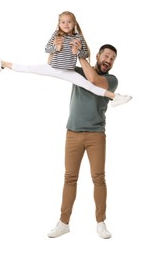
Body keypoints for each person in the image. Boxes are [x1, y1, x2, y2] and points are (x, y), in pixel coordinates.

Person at [47, 44, 123, 239]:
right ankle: (64, 223)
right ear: (97, 56)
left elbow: (94, 80)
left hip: (96, 135)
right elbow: (52, 65)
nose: (108, 60)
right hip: (72, 133)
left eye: (112, 58)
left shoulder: (111, 80)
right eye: (106, 56)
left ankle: (101, 223)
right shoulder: (79, 72)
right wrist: (58, 46)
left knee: (98, 178)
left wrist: (80, 55)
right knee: (69, 178)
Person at [0, 11, 132, 107]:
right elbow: (46, 49)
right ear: (59, 24)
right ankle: (1, 64)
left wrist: (78, 51)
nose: (66, 24)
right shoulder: (57, 36)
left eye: (69, 22)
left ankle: (114, 98)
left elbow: (86, 53)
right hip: (52, 67)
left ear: (74, 24)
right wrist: (55, 48)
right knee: (28, 68)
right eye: (63, 22)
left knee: (90, 86)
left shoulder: (78, 37)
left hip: (67, 71)